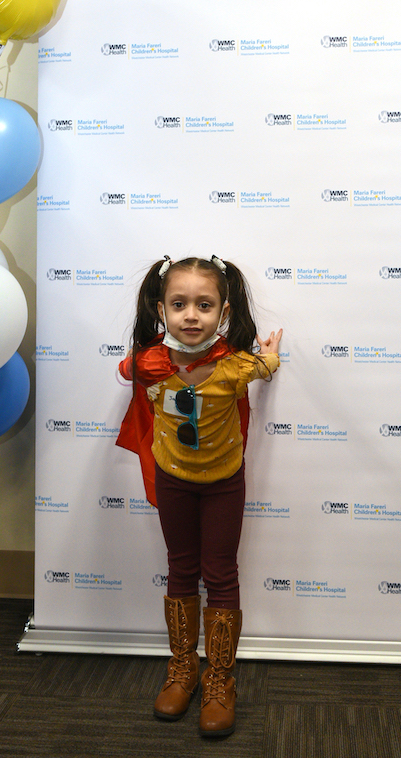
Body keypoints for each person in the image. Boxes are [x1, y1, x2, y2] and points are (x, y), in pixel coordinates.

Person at [117, 255, 282, 738]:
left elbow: (265, 366)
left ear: (224, 312)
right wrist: (131, 361)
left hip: (224, 482)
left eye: (204, 305)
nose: (192, 315)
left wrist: (270, 353)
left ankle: (219, 677)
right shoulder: (151, 363)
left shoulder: (234, 366)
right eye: (180, 304)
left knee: (221, 572)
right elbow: (127, 368)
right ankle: (184, 666)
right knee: (181, 568)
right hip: (173, 480)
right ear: (161, 309)